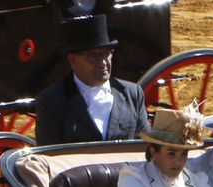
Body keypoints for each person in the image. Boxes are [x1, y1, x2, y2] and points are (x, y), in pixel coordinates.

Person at [32, 14, 148, 146]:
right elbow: (49, 158)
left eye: (107, 53)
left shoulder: (132, 94)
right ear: (73, 60)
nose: (103, 62)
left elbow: (146, 148)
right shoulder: (52, 102)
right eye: (93, 56)